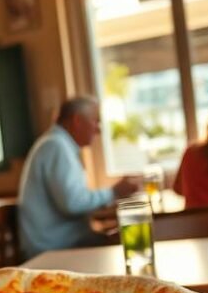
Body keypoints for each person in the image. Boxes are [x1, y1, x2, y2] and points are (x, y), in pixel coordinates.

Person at [17, 96, 139, 258]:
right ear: (77, 121)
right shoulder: (56, 146)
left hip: (59, 243)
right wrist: (113, 192)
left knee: (123, 239)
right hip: (54, 249)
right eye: (95, 121)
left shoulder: (56, 144)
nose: (98, 130)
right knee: (131, 244)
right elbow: (72, 204)